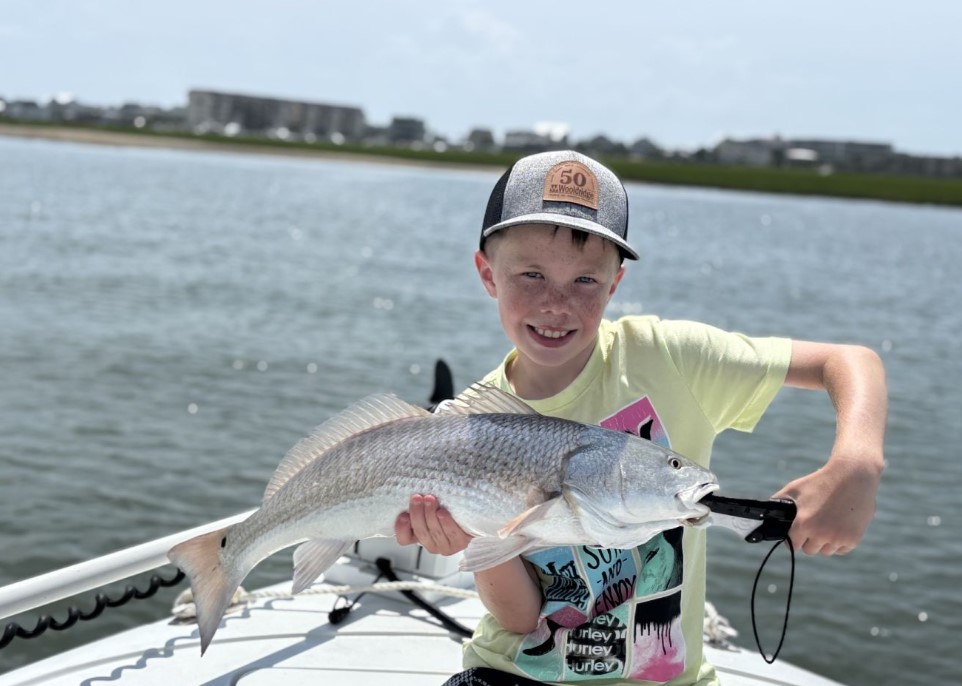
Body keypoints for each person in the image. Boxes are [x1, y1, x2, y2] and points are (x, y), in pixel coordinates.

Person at [394, 150, 886, 686]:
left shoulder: (669, 358)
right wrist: (466, 540)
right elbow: (517, 619)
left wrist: (856, 463)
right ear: (488, 275)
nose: (556, 304)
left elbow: (849, 361)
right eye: (531, 274)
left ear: (615, 284)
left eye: (585, 281)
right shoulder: (472, 423)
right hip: (515, 675)